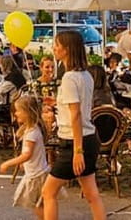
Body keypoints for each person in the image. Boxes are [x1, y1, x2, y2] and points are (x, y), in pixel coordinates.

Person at [40, 31, 105, 220]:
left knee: (48, 192)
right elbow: (79, 107)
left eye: (57, 45)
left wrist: (78, 151)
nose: (54, 48)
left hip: (74, 142)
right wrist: (58, 103)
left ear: (67, 49)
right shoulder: (86, 75)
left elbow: (75, 114)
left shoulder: (69, 78)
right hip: (89, 137)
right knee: (92, 195)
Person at [0, 95, 50, 219]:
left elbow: (27, 155)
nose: (15, 114)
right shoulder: (31, 129)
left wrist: (8, 163)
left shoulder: (32, 133)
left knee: (36, 205)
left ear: (27, 113)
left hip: (36, 175)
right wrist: (23, 163)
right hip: (38, 171)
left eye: (18, 111)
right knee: (39, 204)